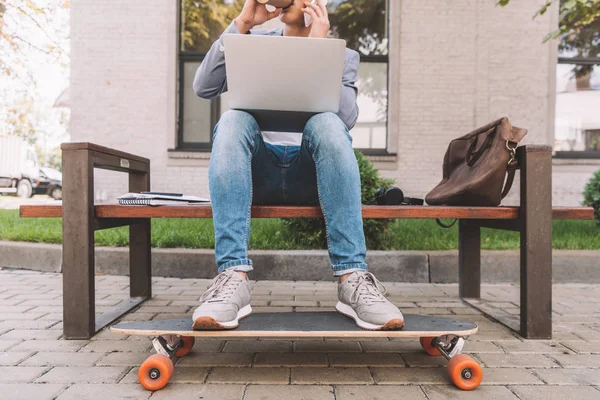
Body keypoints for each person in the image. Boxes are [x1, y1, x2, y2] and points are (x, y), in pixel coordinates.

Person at [191, 0, 404, 331]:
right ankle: (232, 276)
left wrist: (319, 53)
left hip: (313, 178)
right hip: (256, 174)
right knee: (232, 119)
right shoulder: (252, 42)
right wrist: (243, 22)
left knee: (328, 123)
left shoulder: (340, 55)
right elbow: (203, 87)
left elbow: (345, 119)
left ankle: (353, 278)